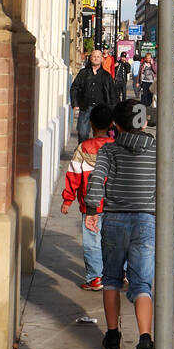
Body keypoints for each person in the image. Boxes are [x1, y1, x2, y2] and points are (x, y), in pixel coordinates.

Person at [84, 99, 157, 349]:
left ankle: (113, 338)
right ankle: (145, 341)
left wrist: (92, 210)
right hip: (146, 220)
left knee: (112, 278)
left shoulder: (109, 151)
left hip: (114, 219)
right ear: (145, 122)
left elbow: (96, 180)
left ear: (116, 125)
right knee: (142, 283)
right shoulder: (156, 151)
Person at [60, 104, 116, 290]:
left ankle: (95, 278)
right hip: (113, 204)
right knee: (114, 241)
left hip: (90, 204)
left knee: (92, 242)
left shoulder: (83, 148)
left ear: (91, 124)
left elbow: (73, 175)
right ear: (111, 125)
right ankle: (119, 274)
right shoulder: (115, 148)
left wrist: (68, 200)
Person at [70, 48, 118, 143]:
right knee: (82, 133)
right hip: (85, 107)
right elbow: (74, 88)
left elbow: (113, 93)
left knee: (101, 136)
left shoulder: (106, 75)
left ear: (101, 59)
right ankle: (83, 154)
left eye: (98, 57)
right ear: (90, 58)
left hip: (101, 109)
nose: (96, 58)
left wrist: (113, 109)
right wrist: (75, 103)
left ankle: (97, 155)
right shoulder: (83, 73)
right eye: (94, 56)